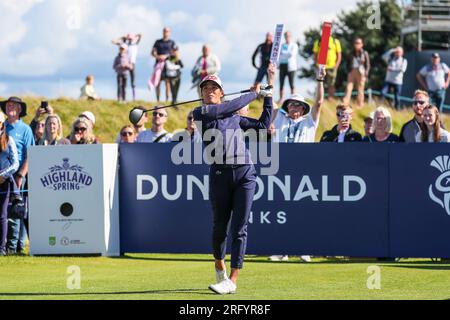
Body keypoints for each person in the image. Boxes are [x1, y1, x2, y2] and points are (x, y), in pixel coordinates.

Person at [192, 63, 275, 295]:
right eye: (205, 88)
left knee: (240, 227)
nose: (209, 91)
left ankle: (233, 280)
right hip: (219, 174)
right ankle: (219, 265)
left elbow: (262, 125)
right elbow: (229, 108)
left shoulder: (235, 117)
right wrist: (252, 94)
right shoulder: (201, 113)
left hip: (245, 173)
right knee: (220, 226)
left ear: (221, 92)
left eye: (213, 88)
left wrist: (267, 98)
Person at [269, 68, 325, 262]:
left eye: (298, 105)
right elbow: (270, 100)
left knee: (303, 213)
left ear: (303, 108)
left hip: (304, 172)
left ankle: (304, 249)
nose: (294, 108)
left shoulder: (310, 121)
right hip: (281, 172)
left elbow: (319, 102)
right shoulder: (280, 118)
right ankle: (282, 250)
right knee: (282, 213)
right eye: (291, 104)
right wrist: (271, 77)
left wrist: (319, 80)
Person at [1, 97, 34, 255]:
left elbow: (30, 154)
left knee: (16, 211)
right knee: (4, 212)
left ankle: (16, 247)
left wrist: (21, 174)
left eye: (13, 105)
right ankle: (8, 245)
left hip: (19, 174)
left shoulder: (26, 129)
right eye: (8, 105)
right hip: (3, 174)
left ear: (20, 109)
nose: (10, 107)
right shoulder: (2, 126)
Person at [0, 112, 19, 256]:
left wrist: (3, 175)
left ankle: (1, 248)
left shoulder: (8, 139)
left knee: (2, 215)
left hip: (4, 182)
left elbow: (15, 163)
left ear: (2, 124)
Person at [112, 33, 142, 101]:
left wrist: (135, 36)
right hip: (124, 65)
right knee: (121, 84)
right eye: (129, 39)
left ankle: (134, 98)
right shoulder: (125, 45)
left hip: (131, 64)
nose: (130, 40)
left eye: (131, 39)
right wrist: (121, 37)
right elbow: (113, 41)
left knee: (133, 81)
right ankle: (121, 98)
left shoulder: (135, 44)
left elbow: (140, 36)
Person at [151, 27, 178, 102]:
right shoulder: (157, 42)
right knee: (157, 82)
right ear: (163, 32)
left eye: (167, 31)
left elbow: (176, 53)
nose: (166, 32)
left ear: (169, 32)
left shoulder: (172, 42)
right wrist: (158, 56)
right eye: (164, 31)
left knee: (167, 82)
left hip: (168, 65)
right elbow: (153, 52)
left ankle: (167, 99)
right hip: (158, 65)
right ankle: (158, 99)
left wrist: (166, 56)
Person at [313, 32, 342, 100]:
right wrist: (317, 65)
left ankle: (330, 99)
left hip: (332, 67)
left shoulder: (335, 41)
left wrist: (336, 66)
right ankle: (319, 98)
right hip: (321, 66)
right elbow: (315, 54)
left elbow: (339, 55)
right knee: (320, 82)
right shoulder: (318, 41)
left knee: (331, 84)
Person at [343, 38, 370, 108]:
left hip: (361, 72)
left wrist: (366, 74)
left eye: (358, 43)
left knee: (360, 89)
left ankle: (360, 104)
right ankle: (345, 103)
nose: (357, 44)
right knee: (349, 87)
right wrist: (348, 71)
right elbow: (347, 63)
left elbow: (367, 65)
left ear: (362, 44)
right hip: (352, 71)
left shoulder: (364, 53)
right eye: (356, 43)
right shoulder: (351, 53)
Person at [278, 31, 299, 104]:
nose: (287, 37)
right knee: (281, 83)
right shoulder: (282, 45)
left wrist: (283, 54)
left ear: (291, 36)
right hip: (282, 65)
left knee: (292, 84)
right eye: (286, 36)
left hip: (291, 67)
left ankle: (293, 99)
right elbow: (279, 55)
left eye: (289, 36)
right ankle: (281, 99)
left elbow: (292, 54)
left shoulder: (294, 45)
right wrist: (284, 54)